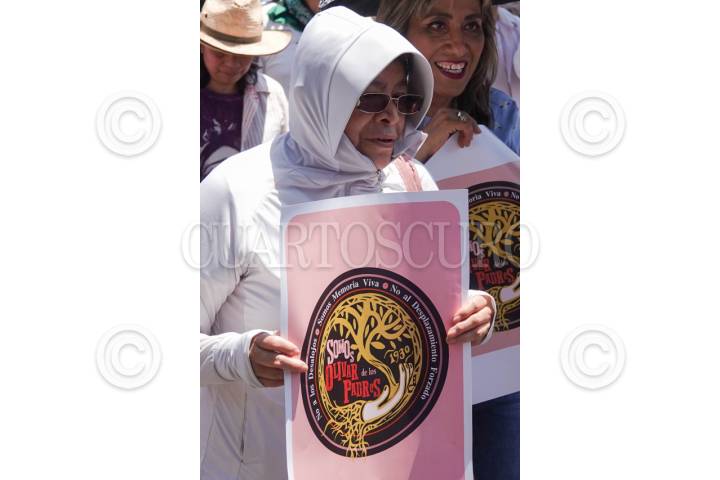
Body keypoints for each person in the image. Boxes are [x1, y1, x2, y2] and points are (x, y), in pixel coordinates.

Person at [200, 7, 496, 479]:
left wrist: (477, 311)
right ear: (323, 96)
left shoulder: (414, 183)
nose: (392, 118)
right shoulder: (237, 191)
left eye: (405, 99)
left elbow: (434, 313)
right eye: (371, 99)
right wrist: (241, 357)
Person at [377, 1, 520, 479]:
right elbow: (345, 228)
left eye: (472, 27)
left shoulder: (503, 115)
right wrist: (417, 158)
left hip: (501, 368)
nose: (459, 45)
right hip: (402, 369)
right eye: (436, 25)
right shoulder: (366, 113)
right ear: (400, 30)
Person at [200, 0, 292, 181]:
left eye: (242, 55)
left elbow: (286, 161)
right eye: (219, 53)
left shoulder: (272, 95)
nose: (231, 63)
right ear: (202, 46)